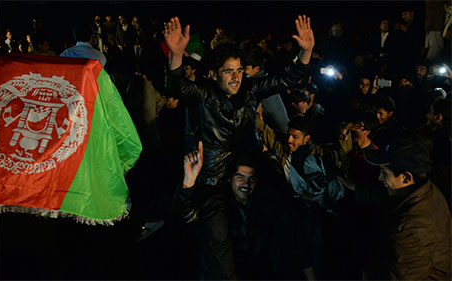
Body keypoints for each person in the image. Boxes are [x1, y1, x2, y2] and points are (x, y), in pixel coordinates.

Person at [164, 15, 314, 280]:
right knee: (218, 241)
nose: (235, 77)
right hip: (215, 180)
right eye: (228, 71)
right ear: (214, 74)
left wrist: (306, 51)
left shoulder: (251, 90)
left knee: (287, 218)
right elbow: (181, 86)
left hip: (251, 171)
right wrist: (176, 57)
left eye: (239, 70)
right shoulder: (204, 95)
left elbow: (285, 80)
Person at [174, 142, 315, 280]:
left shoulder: (263, 206)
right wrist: (188, 181)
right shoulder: (218, 206)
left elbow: (292, 235)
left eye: (251, 178)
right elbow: (187, 216)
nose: (246, 184)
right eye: (240, 177)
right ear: (230, 179)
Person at [350, 138, 451, 280]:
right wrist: (355, 188)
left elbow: (399, 277)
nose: (380, 178)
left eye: (384, 172)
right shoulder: (422, 190)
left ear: (405, 178)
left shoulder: (415, 228)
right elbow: (389, 199)